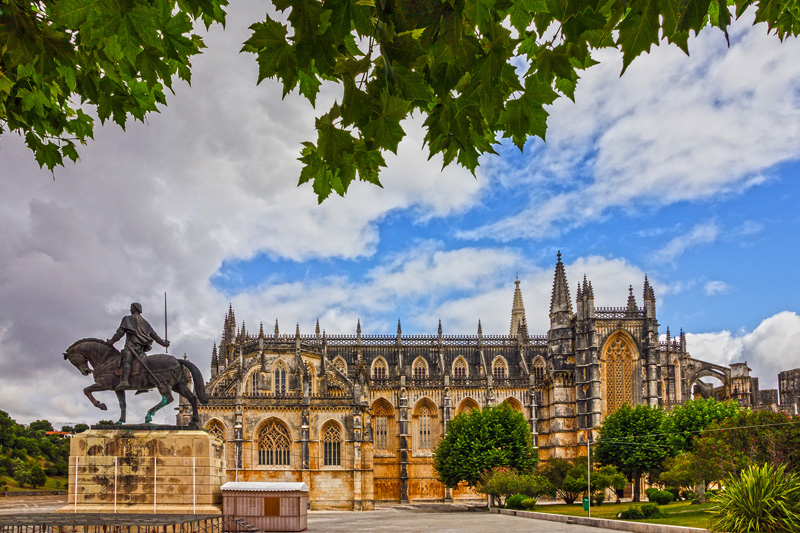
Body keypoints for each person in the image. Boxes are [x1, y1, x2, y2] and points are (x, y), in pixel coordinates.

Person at [107, 302, 170, 390]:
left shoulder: (127, 319)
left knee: (127, 361)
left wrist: (111, 341)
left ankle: (125, 381)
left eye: (131, 307)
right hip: (141, 350)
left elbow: (120, 333)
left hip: (131, 348)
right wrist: (163, 343)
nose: (130, 309)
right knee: (143, 366)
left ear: (135, 308)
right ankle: (142, 388)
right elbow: (154, 336)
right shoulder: (145, 323)